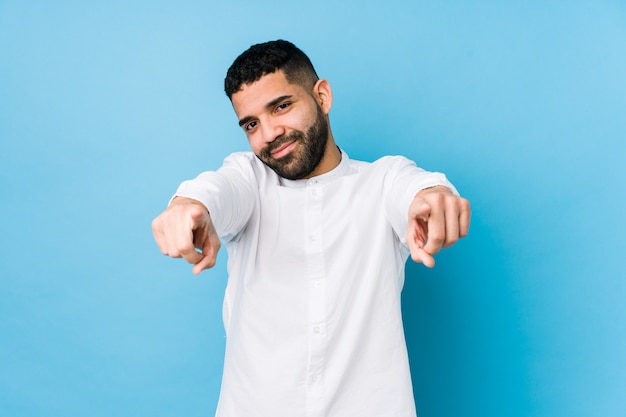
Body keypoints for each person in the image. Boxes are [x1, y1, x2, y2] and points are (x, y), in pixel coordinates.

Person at [152, 40, 470, 417]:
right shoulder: (248, 179)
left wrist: (433, 197)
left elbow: (416, 188)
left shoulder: (381, 180)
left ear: (322, 95)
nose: (269, 133)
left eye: (281, 106)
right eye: (252, 124)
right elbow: (214, 192)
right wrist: (187, 206)